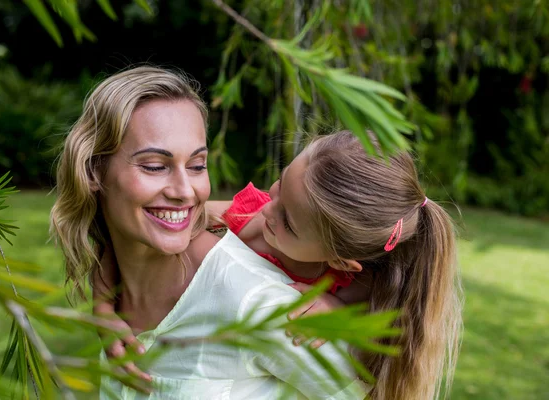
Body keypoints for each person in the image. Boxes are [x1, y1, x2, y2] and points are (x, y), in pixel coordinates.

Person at [50, 66, 368, 400]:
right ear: (92, 170)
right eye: (155, 166)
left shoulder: (260, 305)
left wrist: (338, 302)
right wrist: (102, 305)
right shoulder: (116, 281)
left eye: (197, 165)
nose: (185, 191)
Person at [95, 128, 463, 400]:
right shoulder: (252, 216)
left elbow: (361, 376)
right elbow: (136, 234)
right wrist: (102, 307)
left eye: (287, 220)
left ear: (340, 262)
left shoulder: (350, 286)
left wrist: (341, 305)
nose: (266, 209)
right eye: (279, 185)